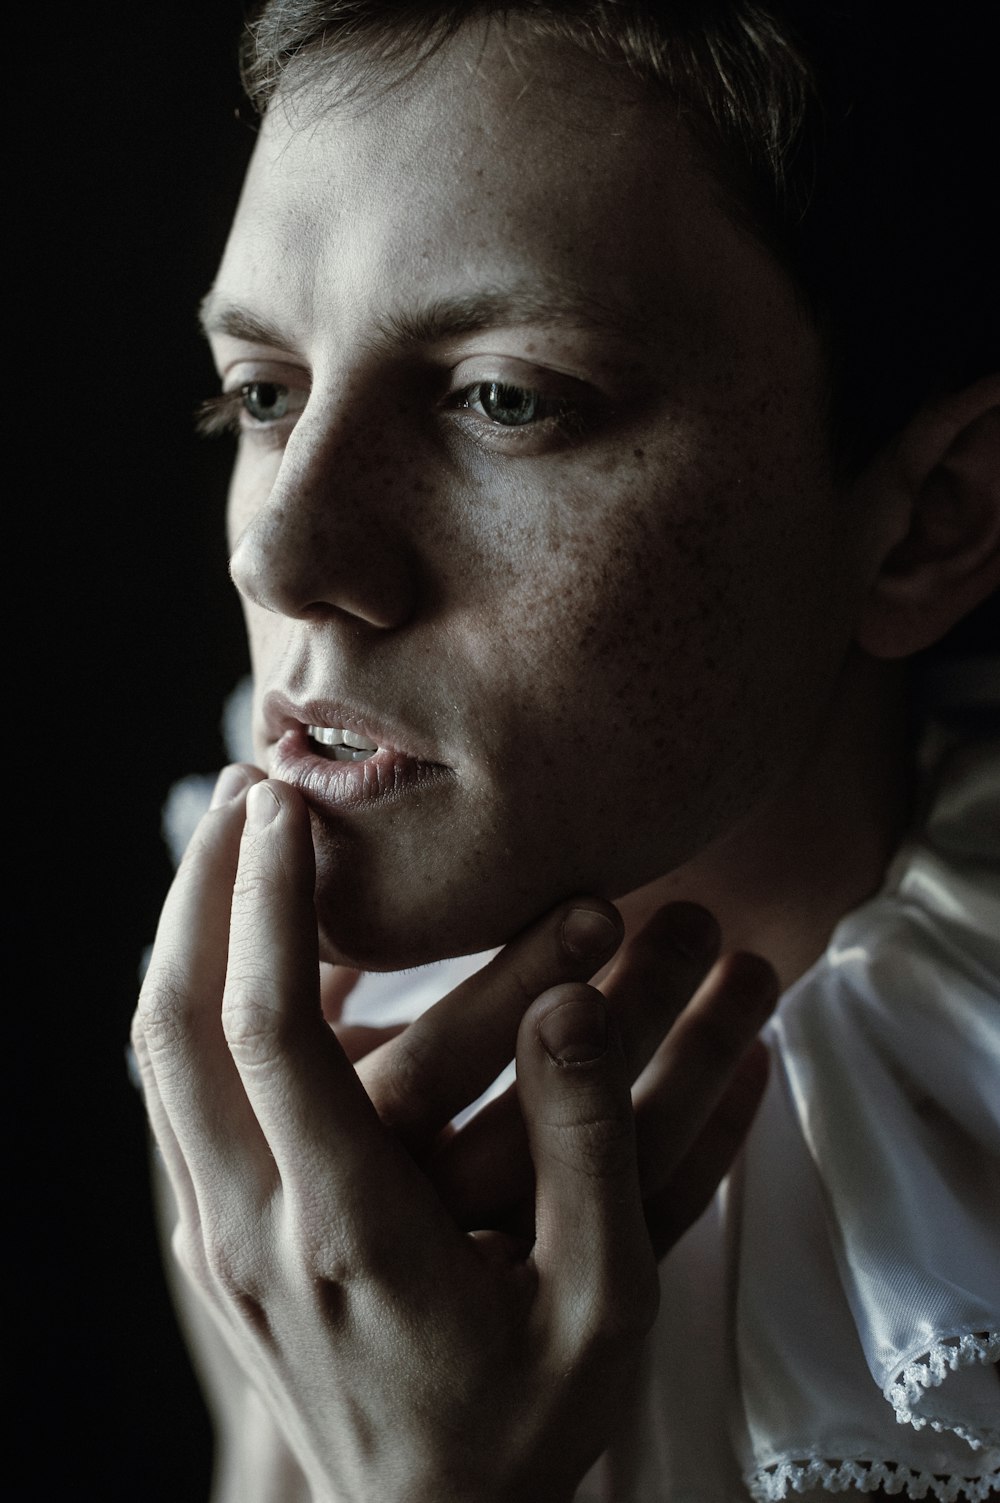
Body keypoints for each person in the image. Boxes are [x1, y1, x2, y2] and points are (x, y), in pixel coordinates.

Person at [131, 2, 1000, 1499]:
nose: (280, 554)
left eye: (502, 399)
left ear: (927, 522)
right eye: (264, 394)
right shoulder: (289, 1067)